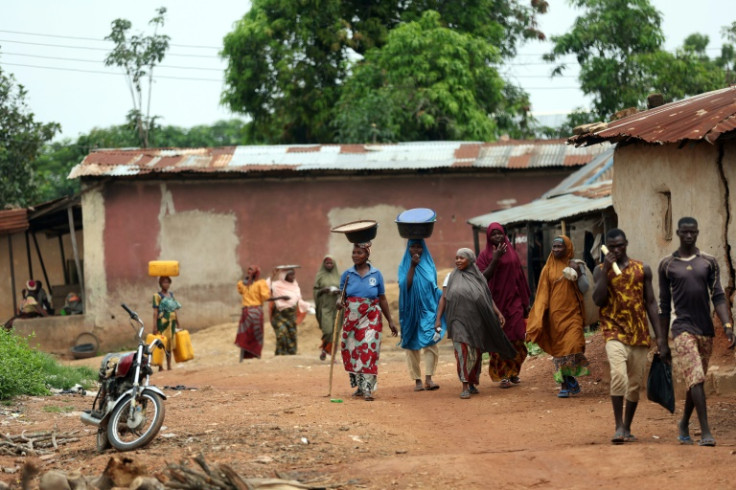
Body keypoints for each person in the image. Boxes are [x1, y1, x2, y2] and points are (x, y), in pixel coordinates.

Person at [659, 217, 734, 447]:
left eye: (693, 232)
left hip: (705, 329)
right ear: (678, 233)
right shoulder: (667, 264)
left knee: (695, 380)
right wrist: (662, 341)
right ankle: (706, 432)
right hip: (681, 328)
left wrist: (728, 325)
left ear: (697, 233)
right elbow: (663, 303)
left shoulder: (708, 262)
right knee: (697, 378)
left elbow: (719, 296)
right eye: (685, 232)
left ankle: (683, 423)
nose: (689, 236)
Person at [593, 228, 667, 444]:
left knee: (634, 384)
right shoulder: (600, 270)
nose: (616, 250)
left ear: (626, 243)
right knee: (618, 375)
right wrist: (606, 271)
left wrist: (660, 338)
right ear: (606, 247)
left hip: (639, 333)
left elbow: (651, 303)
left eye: (620, 245)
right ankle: (617, 426)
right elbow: (598, 300)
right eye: (612, 246)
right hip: (613, 330)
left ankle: (627, 426)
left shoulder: (642, 269)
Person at [434, 248, 516, 399]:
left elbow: (487, 298)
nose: (458, 260)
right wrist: (438, 319)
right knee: (462, 352)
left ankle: (472, 382)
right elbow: (444, 298)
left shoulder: (479, 278)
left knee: (475, 353)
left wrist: (498, 312)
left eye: (462, 258)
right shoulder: (450, 277)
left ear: (470, 260)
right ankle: (464, 385)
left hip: (476, 321)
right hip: (457, 320)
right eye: (456, 258)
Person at [526, 235, 591, 398]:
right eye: (554, 247)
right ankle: (564, 383)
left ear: (567, 247)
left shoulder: (576, 265)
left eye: (559, 247)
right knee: (560, 351)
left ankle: (569, 377)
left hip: (573, 314)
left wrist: (578, 272)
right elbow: (541, 296)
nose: (556, 250)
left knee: (574, 345)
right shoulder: (547, 270)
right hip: (555, 317)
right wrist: (539, 317)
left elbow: (585, 288)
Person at [338, 241, 398, 401]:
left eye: (359, 253)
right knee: (353, 351)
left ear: (367, 255)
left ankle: (368, 389)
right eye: (354, 252)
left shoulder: (376, 274)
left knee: (369, 351)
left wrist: (391, 321)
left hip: (372, 317)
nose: (355, 256)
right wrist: (339, 302)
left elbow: (383, 298)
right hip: (352, 320)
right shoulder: (347, 275)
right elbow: (341, 296)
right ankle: (359, 386)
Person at [477, 223, 531, 388]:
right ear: (488, 237)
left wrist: (525, 301)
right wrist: (495, 259)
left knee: (517, 337)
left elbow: (520, 277)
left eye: (499, 234)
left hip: (514, 302)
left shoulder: (512, 253)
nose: (497, 237)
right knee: (501, 339)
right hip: (495, 304)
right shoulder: (484, 256)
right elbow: (482, 278)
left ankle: (513, 371)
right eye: (493, 235)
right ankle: (503, 375)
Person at [398, 239, 445, 392]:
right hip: (410, 311)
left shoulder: (430, 265)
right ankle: (417, 380)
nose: (416, 249)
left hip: (428, 310)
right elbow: (405, 286)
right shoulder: (404, 265)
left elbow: (434, 287)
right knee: (411, 345)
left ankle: (429, 378)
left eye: (419, 246)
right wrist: (412, 266)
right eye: (413, 246)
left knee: (431, 343)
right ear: (408, 248)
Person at [235, 265, 286, 361]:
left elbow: (241, 290)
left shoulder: (246, 284)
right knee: (254, 335)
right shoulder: (255, 284)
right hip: (255, 313)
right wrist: (279, 298)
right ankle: (255, 356)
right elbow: (266, 297)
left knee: (247, 335)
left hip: (248, 313)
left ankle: (244, 358)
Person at [269, 268, 310, 356]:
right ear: (284, 276)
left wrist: (306, 306)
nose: (293, 277)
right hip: (280, 315)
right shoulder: (276, 285)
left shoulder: (295, 286)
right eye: (290, 275)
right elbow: (267, 295)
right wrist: (281, 298)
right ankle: (280, 353)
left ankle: (291, 354)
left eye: (293, 274)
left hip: (291, 315)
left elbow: (298, 299)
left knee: (292, 335)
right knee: (282, 333)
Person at [313, 256, 342, 361]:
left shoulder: (339, 276)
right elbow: (316, 291)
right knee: (327, 330)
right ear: (323, 264)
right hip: (325, 307)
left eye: (331, 263)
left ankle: (332, 355)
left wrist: (338, 291)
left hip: (337, 308)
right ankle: (325, 349)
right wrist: (323, 290)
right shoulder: (320, 276)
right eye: (327, 263)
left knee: (336, 331)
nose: (329, 265)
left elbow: (344, 290)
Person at [152, 276, 182, 371]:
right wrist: (155, 326)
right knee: (161, 344)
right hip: (162, 323)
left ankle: (169, 365)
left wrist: (178, 323)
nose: (166, 284)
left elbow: (174, 309)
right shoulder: (157, 296)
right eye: (164, 282)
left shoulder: (171, 295)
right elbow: (155, 312)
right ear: (160, 284)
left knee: (170, 344)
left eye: (168, 282)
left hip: (171, 323)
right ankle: (160, 366)